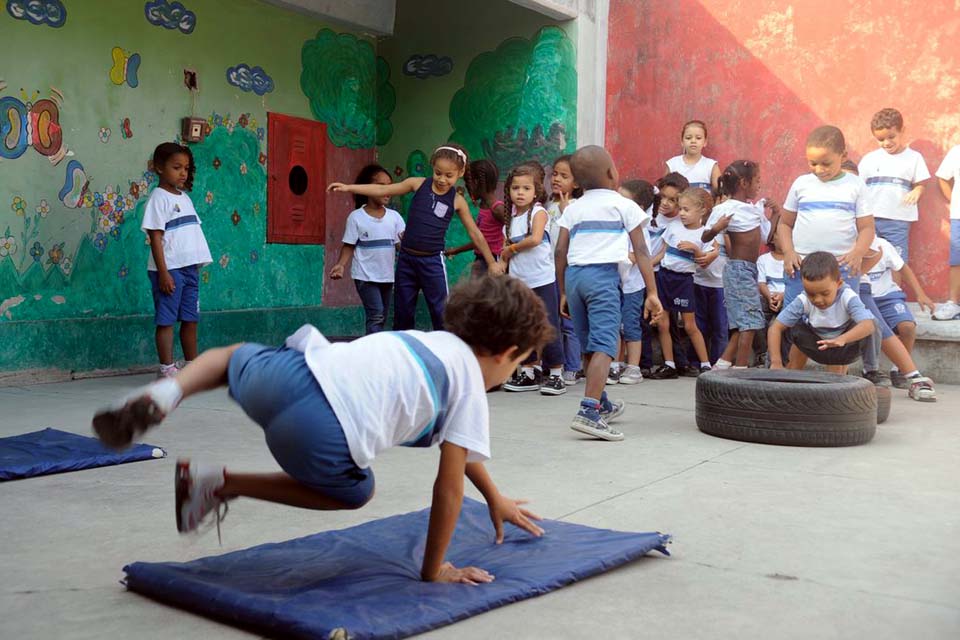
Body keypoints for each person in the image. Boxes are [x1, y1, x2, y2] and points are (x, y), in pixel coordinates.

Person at [92, 275, 550, 584]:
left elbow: (465, 455)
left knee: (229, 358)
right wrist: (435, 569)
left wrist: (494, 496)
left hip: (294, 374)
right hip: (320, 434)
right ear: (507, 352)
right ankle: (220, 484)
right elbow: (448, 487)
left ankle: (164, 396)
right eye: (522, 362)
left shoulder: (429, 341)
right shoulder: (470, 381)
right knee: (356, 490)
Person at [328, 144, 504, 331]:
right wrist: (349, 187)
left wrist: (491, 262)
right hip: (407, 261)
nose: (442, 179)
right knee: (403, 312)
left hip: (432, 262)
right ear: (432, 167)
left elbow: (475, 234)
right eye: (438, 173)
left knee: (441, 311)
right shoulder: (417, 184)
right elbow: (382, 190)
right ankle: (404, 353)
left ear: (460, 172)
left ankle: (445, 353)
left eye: (449, 175)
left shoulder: (457, 201)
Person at [555, 146, 662, 441]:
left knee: (590, 344)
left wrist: (563, 291)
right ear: (612, 173)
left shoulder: (573, 208)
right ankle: (588, 411)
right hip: (602, 278)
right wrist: (651, 291)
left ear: (576, 181)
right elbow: (641, 249)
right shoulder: (623, 205)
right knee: (605, 344)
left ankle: (601, 402)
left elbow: (560, 251)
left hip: (575, 277)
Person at [778, 125, 875, 309]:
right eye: (813, 163)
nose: (819, 169)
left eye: (826, 163)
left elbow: (867, 228)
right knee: (795, 318)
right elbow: (784, 223)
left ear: (843, 156)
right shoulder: (801, 184)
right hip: (801, 265)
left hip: (842, 267)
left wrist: (858, 252)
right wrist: (789, 252)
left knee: (843, 316)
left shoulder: (855, 185)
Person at [141, 142, 212, 379]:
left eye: (186, 168)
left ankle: (192, 364)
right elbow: (156, 236)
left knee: (191, 318)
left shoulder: (185, 198)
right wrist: (163, 273)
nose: (183, 173)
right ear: (160, 168)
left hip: (189, 270)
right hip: (169, 271)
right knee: (167, 320)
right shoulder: (158, 198)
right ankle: (167, 369)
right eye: (176, 167)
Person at [499, 163, 566, 396]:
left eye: (526, 188)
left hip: (542, 279)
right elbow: (504, 252)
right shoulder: (509, 221)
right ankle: (529, 371)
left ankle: (556, 373)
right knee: (524, 328)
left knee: (548, 326)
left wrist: (511, 250)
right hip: (520, 282)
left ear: (535, 192)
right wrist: (500, 262)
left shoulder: (538, 212)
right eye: (515, 188)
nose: (520, 193)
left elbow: (536, 239)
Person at [702, 160, 773, 368]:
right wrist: (718, 227)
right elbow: (705, 236)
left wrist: (775, 214)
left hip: (750, 270)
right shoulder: (726, 209)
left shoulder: (753, 209)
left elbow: (767, 237)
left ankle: (723, 365)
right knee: (750, 322)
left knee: (745, 321)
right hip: (738, 269)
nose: (759, 185)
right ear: (743, 183)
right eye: (757, 181)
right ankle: (740, 370)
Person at [768, 252, 875, 375]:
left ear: (838, 284)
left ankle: (871, 370)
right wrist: (775, 362)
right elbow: (775, 328)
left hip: (844, 347)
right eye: (811, 294)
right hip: (817, 347)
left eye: (825, 293)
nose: (818, 300)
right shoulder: (803, 300)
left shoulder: (848, 296)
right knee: (787, 324)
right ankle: (779, 371)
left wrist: (842, 339)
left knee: (873, 323)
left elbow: (868, 325)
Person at [857, 238, 937, 400]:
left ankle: (900, 370)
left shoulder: (882, 245)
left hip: (887, 297)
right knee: (875, 326)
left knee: (907, 327)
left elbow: (903, 268)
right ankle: (871, 370)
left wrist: (920, 293)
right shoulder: (846, 247)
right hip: (863, 296)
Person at [329, 164, 405, 334]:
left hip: (387, 277)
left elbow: (401, 245)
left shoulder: (394, 217)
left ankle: (372, 350)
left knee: (382, 316)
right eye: (381, 186)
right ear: (368, 189)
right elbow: (349, 245)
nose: (388, 191)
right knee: (376, 315)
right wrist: (341, 265)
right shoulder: (356, 217)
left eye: (390, 186)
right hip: (365, 276)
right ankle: (373, 355)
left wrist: (409, 241)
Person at [857, 108, 930, 264]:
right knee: (869, 257)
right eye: (881, 139)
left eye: (891, 137)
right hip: (870, 220)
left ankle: (895, 288)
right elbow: (858, 187)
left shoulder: (914, 158)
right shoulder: (869, 159)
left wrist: (918, 190)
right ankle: (869, 289)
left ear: (902, 131)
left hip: (898, 220)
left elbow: (921, 183)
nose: (887, 143)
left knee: (896, 261)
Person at [645, 172, 692, 378]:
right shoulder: (650, 215)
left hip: (663, 273)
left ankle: (678, 362)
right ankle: (645, 363)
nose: (665, 203)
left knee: (670, 320)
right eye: (663, 197)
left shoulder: (680, 222)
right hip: (646, 274)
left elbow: (665, 251)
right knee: (649, 319)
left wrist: (648, 264)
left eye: (672, 200)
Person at [546, 155, 585, 385]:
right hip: (549, 269)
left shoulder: (576, 207)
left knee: (569, 321)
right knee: (554, 321)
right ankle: (553, 364)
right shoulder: (549, 206)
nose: (557, 179)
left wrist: (565, 210)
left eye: (564, 175)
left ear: (577, 183)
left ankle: (573, 366)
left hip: (569, 270)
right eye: (555, 174)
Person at [616, 179, 657, 384]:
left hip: (632, 287)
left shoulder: (639, 229)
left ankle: (633, 368)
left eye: (623, 200)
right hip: (616, 285)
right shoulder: (616, 227)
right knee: (614, 325)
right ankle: (614, 365)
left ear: (638, 208)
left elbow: (635, 257)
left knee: (631, 325)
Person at [444, 159, 508, 277]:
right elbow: (480, 240)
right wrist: (455, 250)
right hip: (481, 259)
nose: (467, 188)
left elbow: (513, 233)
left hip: (493, 261)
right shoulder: (484, 207)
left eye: (468, 184)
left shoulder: (497, 209)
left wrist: (503, 260)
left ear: (476, 182)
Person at [933, 144, 960, 320]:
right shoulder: (957, 151)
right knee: (957, 260)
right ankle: (953, 303)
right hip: (959, 216)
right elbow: (942, 178)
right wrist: (954, 201)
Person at [664, 120, 721, 192]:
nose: (693, 141)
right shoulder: (672, 164)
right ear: (682, 142)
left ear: (705, 142)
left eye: (698, 138)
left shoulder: (711, 166)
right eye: (688, 138)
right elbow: (664, 191)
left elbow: (720, 192)